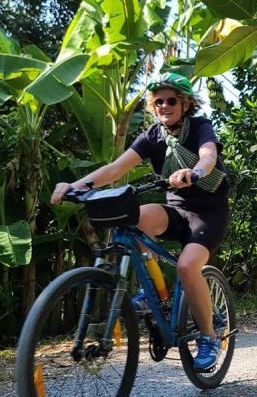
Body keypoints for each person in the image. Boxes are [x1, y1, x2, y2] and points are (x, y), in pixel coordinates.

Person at [51, 72, 230, 371]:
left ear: (185, 104)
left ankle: (209, 337)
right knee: (132, 219)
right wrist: (76, 186)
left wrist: (195, 172)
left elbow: (208, 155)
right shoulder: (153, 136)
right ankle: (153, 290)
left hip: (208, 214)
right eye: (158, 101)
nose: (164, 105)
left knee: (187, 267)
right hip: (175, 208)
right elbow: (115, 168)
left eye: (171, 100)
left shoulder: (199, 127)